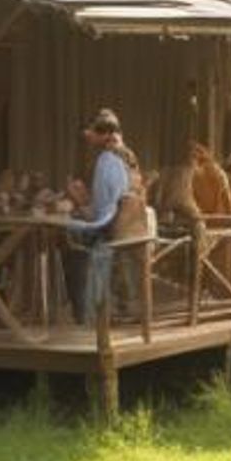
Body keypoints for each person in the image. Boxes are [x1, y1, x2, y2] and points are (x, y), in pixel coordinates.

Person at [65, 108, 146, 324]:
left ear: (104, 134)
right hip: (123, 226)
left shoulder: (113, 157)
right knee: (72, 238)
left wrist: (81, 202)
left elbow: (110, 206)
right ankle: (95, 309)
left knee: (71, 243)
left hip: (118, 229)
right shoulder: (119, 155)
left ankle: (87, 312)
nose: (88, 137)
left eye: (92, 133)